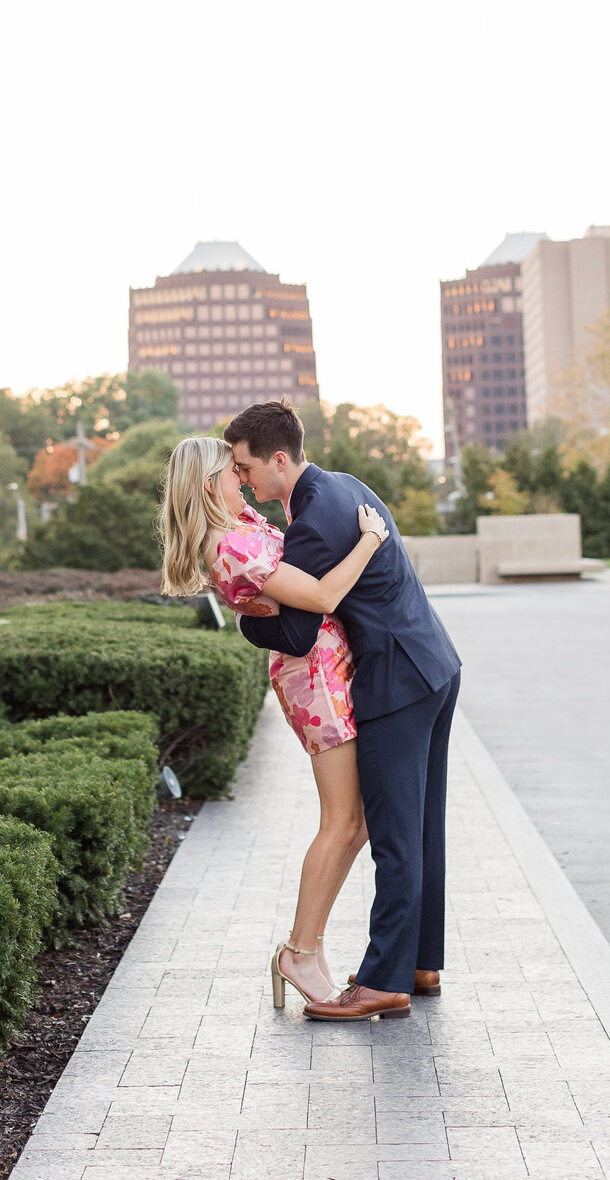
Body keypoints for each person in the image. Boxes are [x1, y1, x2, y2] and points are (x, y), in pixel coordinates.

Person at [225, 398, 462, 1023]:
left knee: (392, 834)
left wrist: (246, 625)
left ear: (279, 460)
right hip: (433, 664)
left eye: (247, 468)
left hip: (394, 681)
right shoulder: (343, 487)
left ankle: (385, 980)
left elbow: (299, 635)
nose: (244, 480)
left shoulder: (313, 523)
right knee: (420, 824)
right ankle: (418, 961)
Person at [160, 434, 389, 1007]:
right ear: (210, 482)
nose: (244, 479)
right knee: (342, 821)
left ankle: (307, 947)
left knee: (355, 822)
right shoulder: (231, 546)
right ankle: (299, 953)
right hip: (315, 682)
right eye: (234, 472)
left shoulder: (239, 530)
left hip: (327, 671)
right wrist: (370, 539)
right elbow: (321, 595)